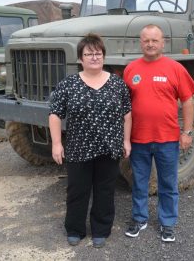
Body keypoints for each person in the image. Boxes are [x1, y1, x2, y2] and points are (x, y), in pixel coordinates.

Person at [49, 33, 132, 248]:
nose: (94, 57)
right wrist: (57, 143)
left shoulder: (117, 84)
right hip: (78, 149)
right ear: (80, 59)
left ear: (103, 56)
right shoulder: (68, 84)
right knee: (78, 190)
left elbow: (127, 114)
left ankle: (101, 230)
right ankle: (75, 229)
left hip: (109, 147)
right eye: (89, 54)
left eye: (98, 53)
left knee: (105, 190)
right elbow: (55, 114)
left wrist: (126, 141)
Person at [123, 24, 194, 242]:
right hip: (139, 138)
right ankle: (140, 218)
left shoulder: (175, 68)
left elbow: (187, 101)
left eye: (154, 40)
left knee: (168, 182)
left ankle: (167, 223)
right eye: (146, 40)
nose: (150, 44)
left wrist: (187, 132)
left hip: (167, 138)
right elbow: (125, 106)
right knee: (139, 181)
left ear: (162, 43)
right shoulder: (131, 70)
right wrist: (125, 137)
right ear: (141, 42)